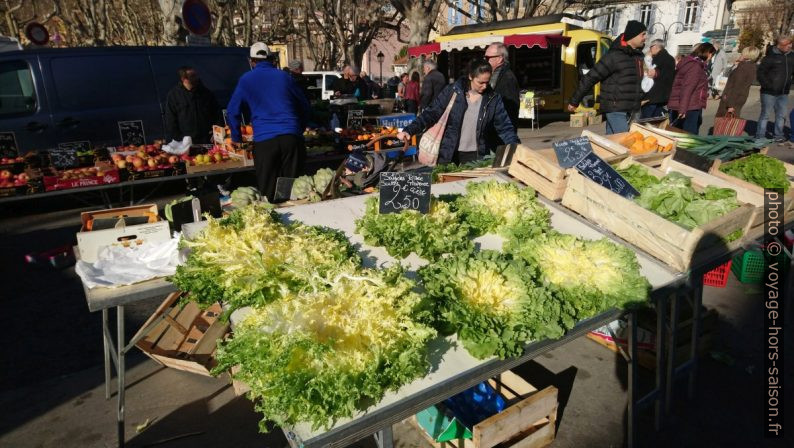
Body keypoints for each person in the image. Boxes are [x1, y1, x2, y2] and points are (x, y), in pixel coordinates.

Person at [227, 42, 310, 202]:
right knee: (292, 190)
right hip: (290, 138)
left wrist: (236, 138)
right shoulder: (284, 77)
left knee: (268, 191)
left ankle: (273, 217)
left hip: (265, 142)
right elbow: (304, 105)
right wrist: (299, 129)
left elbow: (232, 112)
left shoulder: (246, 80)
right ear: (271, 59)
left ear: (251, 61)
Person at [396, 58, 519, 165]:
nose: (485, 86)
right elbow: (431, 113)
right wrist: (410, 130)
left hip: (477, 156)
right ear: (470, 76)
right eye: (480, 82)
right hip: (449, 154)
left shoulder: (493, 98)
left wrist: (516, 147)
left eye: (487, 82)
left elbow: (505, 127)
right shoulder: (453, 91)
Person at [568, 20, 652, 134]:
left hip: (631, 109)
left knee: (611, 144)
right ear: (633, 35)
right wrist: (574, 101)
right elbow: (590, 77)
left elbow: (634, 82)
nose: (645, 37)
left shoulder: (637, 56)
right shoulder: (613, 56)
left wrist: (643, 97)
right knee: (624, 142)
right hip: (616, 109)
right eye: (643, 34)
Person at [668, 43, 716, 134]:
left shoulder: (691, 63)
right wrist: (682, 109)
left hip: (687, 104)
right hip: (689, 106)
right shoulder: (695, 66)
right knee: (689, 135)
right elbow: (687, 88)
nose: (711, 57)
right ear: (707, 53)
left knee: (679, 133)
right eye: (711, 54)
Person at [164, 66, 220, 144]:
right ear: (184, 79)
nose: (196, 78)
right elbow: (170, 120)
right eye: (192, 76)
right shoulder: (174, 96)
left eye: (196, 75)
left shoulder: (206, 93)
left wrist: (216, 132)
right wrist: (180, 139)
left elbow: (217, 114)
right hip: (186, 143)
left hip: (207, 140)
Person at [755, 35, 794, 142]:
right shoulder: (770, 56)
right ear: (780, 45)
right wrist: (768, 85)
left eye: (791, 44)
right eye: (787, 44)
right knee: (765, 115)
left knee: (781, 115)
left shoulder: (792, 56)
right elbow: (760, 73)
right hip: (769, 92)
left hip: (783, 92)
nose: (790, 46)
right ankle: (760, 136)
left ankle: (778, 135)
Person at [715, 46, 760, 118]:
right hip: (738, 98)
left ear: (746, 55)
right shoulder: (751, 66)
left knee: (725, 123)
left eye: (742, 53)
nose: (740, 54)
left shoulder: (743, 68)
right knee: (730, 123)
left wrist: (730, 105)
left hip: (731, 99)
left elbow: (737, 87)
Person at [485, 42, 520, 127]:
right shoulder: (496, 76)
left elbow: (510, 109)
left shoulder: (507, 79)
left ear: (500, 59)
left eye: (487, 57)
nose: (485, 60)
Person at [641, 39, 676, 119]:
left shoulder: (659, 57)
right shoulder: (670, 58)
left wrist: (647, 58)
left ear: (656, 46)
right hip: (663, 95)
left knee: (645, 121)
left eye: (651, 47)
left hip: (653, 96)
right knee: (656, 120)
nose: (650, 49)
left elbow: (651, 72)